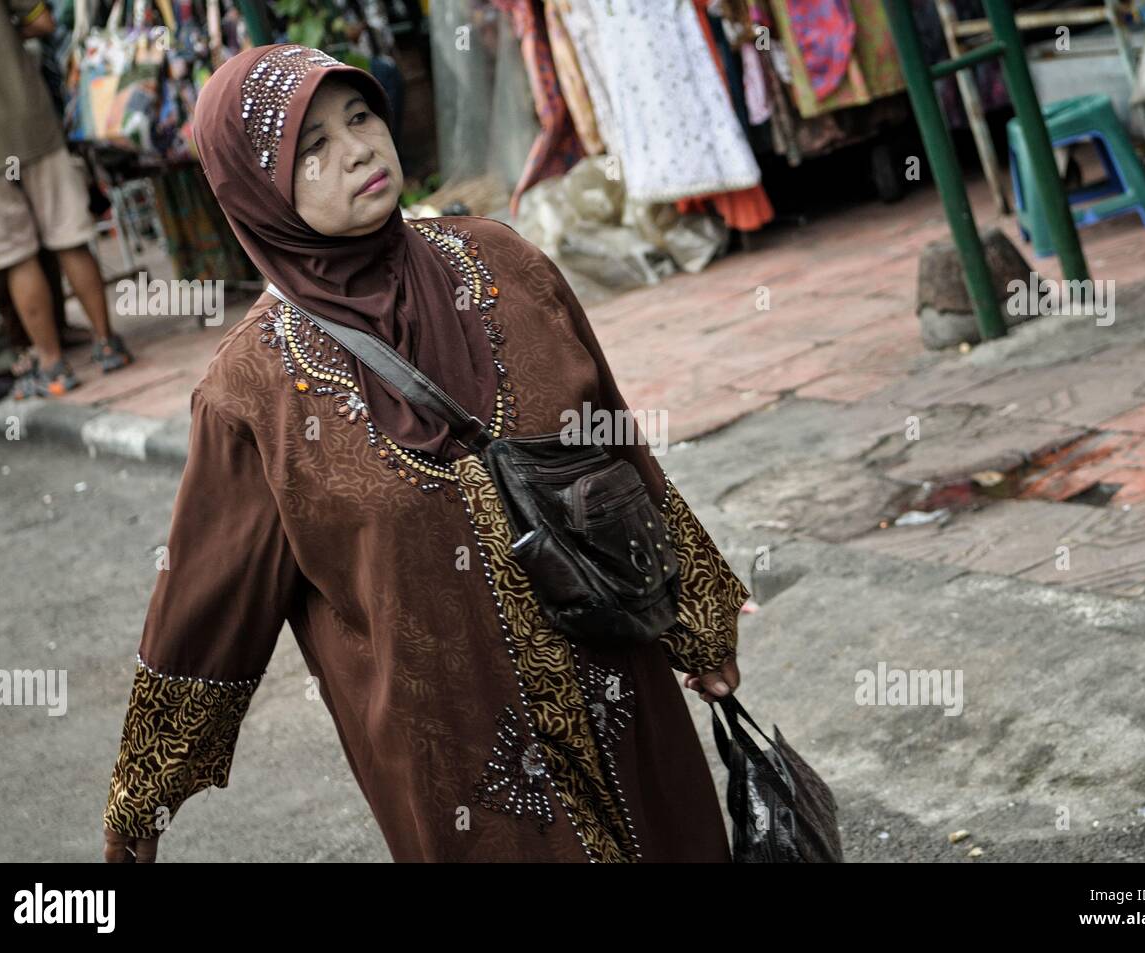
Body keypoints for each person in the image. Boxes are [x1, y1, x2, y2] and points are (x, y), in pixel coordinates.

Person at [101, 44, 748, 863]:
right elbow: (205, 606)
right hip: (461, 771)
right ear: (254, 190)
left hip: (623, 696)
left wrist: (698, 624)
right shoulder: (254, 391)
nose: (360, 150)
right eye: (312, 147)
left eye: (361, 116)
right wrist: (136, 813)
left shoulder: (505, 264)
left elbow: (616, 446)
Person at [0, 1, 133, 399]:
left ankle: (54, 365)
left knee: (16, 256)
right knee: (68, 236)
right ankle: (107, 344)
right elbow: (41, 20)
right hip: (32, 122)